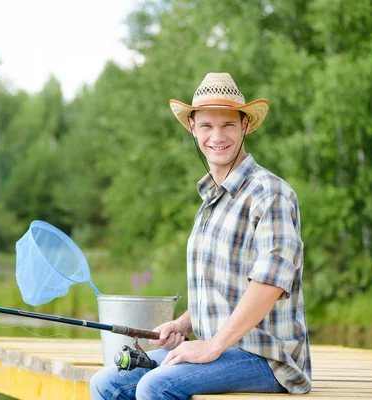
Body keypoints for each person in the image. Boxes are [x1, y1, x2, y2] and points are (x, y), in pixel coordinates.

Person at [90, 72, 312, 399]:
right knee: (105, 383)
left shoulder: (270, 195)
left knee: (156, 385)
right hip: (219, 350)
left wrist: (211, 347)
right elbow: (221, 287)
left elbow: (270, 284)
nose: (217, 136)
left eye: (228, 125)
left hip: (267, 358)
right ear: (193, 128)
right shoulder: (211, 199)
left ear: (245, 126)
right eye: (207, 126)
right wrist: (183, 325)